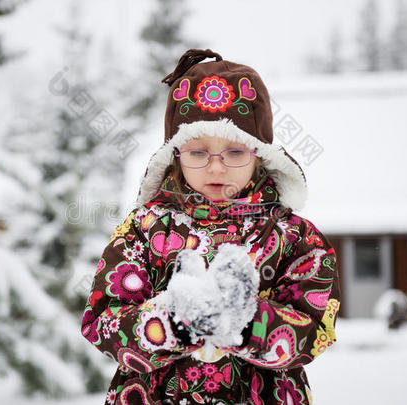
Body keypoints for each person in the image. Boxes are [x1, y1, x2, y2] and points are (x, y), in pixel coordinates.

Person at [81, 48, 341, 405]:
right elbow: (103, 322)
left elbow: (317, 329)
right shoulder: (144, 230)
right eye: (198, 152)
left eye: (234, 153)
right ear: (175, 155)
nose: (216, 169)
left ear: (260, 155)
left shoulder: (291, 236)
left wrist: (247, 323)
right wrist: (172, 321)